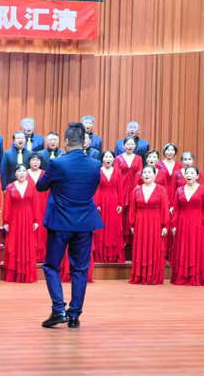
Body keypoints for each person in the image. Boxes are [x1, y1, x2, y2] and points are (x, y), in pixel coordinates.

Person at [37, 123, 102, 329]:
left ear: (65, 142)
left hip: (60, 223)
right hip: (85, 223)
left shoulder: (58, 163)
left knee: (51, 266)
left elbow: (40, 186)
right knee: (80, 270)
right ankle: (74, 315)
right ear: (84, 142)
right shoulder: (95, 164)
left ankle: (58, 309)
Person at [170, 166, 204, 286]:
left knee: (196, 247)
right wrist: (174, 224)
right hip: (182, 223)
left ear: (197, 176)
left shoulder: (203, 189)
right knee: (182, 248)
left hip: (198, 223)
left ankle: (196, 277)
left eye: (192, 173)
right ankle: (183, 277)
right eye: (187, 173)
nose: (189, 175)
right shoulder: (179, 190)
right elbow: (176, 209)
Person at [129, 166, 170, 285]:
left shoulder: (161, 189)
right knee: (141, 247)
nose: (146, 174)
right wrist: (132, 224)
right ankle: (141, 275)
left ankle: (153, 276)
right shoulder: (136, 190)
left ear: (155, 175)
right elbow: (132, 209)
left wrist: (165, 225)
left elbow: (165, 208)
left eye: (149, 172)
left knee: (154, 247)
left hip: (155, 222)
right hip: (140, 223)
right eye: (144, 173)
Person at [2, 165, 40, 284]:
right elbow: (7, 205)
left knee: (27, 243)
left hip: (28, 217)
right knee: (14, 243)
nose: (22, 173)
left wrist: (36, 220)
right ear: (15, 174)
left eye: (24, 171)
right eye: (19, 171)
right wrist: (6, 221)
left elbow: (36, 204)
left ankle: (27, 274)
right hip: (14, 218)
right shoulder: (10, 187)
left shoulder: (32, 186)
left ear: (27, 173)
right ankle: (14, 274)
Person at [93, 151, 125, 263]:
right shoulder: (98, 171)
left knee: (114, 227)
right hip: (101, 202)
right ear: (102, 159)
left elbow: (120, 188)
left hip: (114, 202)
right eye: (106, 156)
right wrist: (97, 204)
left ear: (113, 159)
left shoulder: (118, 172)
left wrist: (120, 204)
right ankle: (101, 255)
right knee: (101, 227)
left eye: (110, 157)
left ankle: (113, 255)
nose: (108, 159)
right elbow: (96, 188)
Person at [116, 137, 143, 245]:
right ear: (123, 146)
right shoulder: (118, 158)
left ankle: (132, 239)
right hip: (121, 186)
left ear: (135, 146)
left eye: (132, 144)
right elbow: (116, 173)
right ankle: (121, 238)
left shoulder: (139, 158)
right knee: (121, 211)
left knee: (133, 210)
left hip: (134, 187)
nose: (130, 146)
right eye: (128, 144)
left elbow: (140, 174)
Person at [27, 154, 48, 262]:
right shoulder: (23, 173)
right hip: (28, 204)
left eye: (38, 160)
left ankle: (42, 255)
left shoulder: (45, 174)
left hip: (43, 203)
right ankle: (30, 253)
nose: (35, 162)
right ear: (29, 161)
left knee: (42, 227)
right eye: (33, 160)